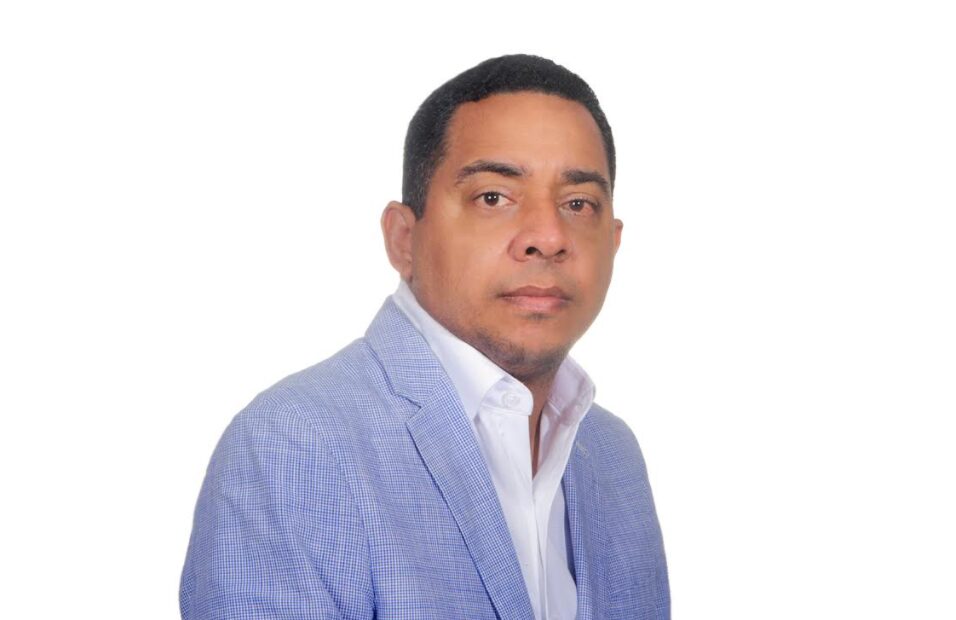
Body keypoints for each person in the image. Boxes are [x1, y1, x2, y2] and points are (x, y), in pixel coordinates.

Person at [180, 54, 669, 620]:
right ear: (403, 239)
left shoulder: (612, 455)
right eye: (493, 197)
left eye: (578, 204)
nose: (548, 236)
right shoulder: (293, 445)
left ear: (613, 242)